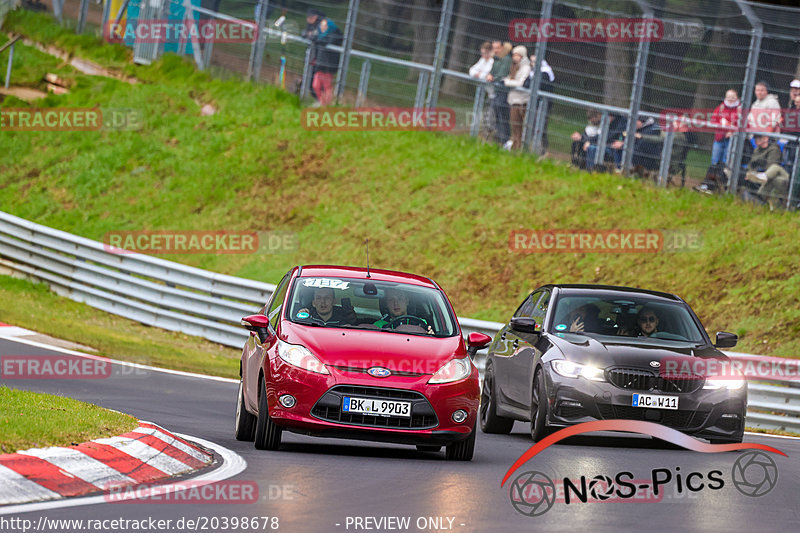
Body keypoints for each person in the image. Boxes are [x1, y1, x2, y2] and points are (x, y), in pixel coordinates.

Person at [744, 134, 789, 208]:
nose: (756, 142)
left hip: (771, 174)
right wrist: (750, 172)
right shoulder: (757, 150)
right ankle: (759, 200)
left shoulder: (774, 149)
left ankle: (761, 179)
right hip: (758, 174)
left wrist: (758, 172)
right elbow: (751, 163)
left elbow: (771, 166)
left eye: (758, 139)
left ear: (765, 138)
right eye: (756, 140)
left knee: (774, 169)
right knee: (743, 175)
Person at [308, 13, 343, 107]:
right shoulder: (319, 34)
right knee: (315, 85)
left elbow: (327, 41)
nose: (322, 27)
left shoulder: (334, 34)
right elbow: (311, 36)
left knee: (327, 86)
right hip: (319, 64)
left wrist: (316, 39)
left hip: (329, 65)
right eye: (321, 25)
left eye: (325, 26)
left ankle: (326, 105)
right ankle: (322, 102)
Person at [525, 53, 555, 153]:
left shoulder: (546, 72)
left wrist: (532, 83)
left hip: (544, 104)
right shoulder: (533, 72)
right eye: (531, 61)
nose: (532, 64)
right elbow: (526, 84)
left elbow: (539, 85)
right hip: (534, 103)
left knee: (540, 125)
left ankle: (542, 148)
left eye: (534, 61)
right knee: (533, 125)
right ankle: (536, 147)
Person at [504, 45, 531, 151]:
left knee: (522, 127)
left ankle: (522, 148)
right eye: (513, 55)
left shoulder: (526, 68)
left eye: (517, 55)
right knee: (515, 127)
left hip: (522, 100)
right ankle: (515, 147)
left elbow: (521, 83)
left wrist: (507, 82)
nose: (514, 57)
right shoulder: (514, 66)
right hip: (513, 100)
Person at [486, 41, 512, 146]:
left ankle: (505, 140)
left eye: (497, 48)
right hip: (496, 91)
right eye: (494, 48)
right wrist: (490, 75)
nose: (495, 50)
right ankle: (499, 139)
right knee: (495, 115)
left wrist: (493, 78)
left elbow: (502, 74)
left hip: (503, 92)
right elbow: (492, 71)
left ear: (502, 47)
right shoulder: (496, 59)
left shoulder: (506, 59)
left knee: (502, 116)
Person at [710, 89, 741, 166]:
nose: (730, 99)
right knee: (715, 158)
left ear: (737, 98)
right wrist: (722, 125)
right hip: (719, 137)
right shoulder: (720, 108)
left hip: (731, 139)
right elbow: (713, 120)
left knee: (726, 160)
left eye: (733, 97)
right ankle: (712, 175)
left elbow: (742, 124)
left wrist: (732, 132)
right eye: (729, 97)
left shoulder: (739, 109)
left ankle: (723, 176)